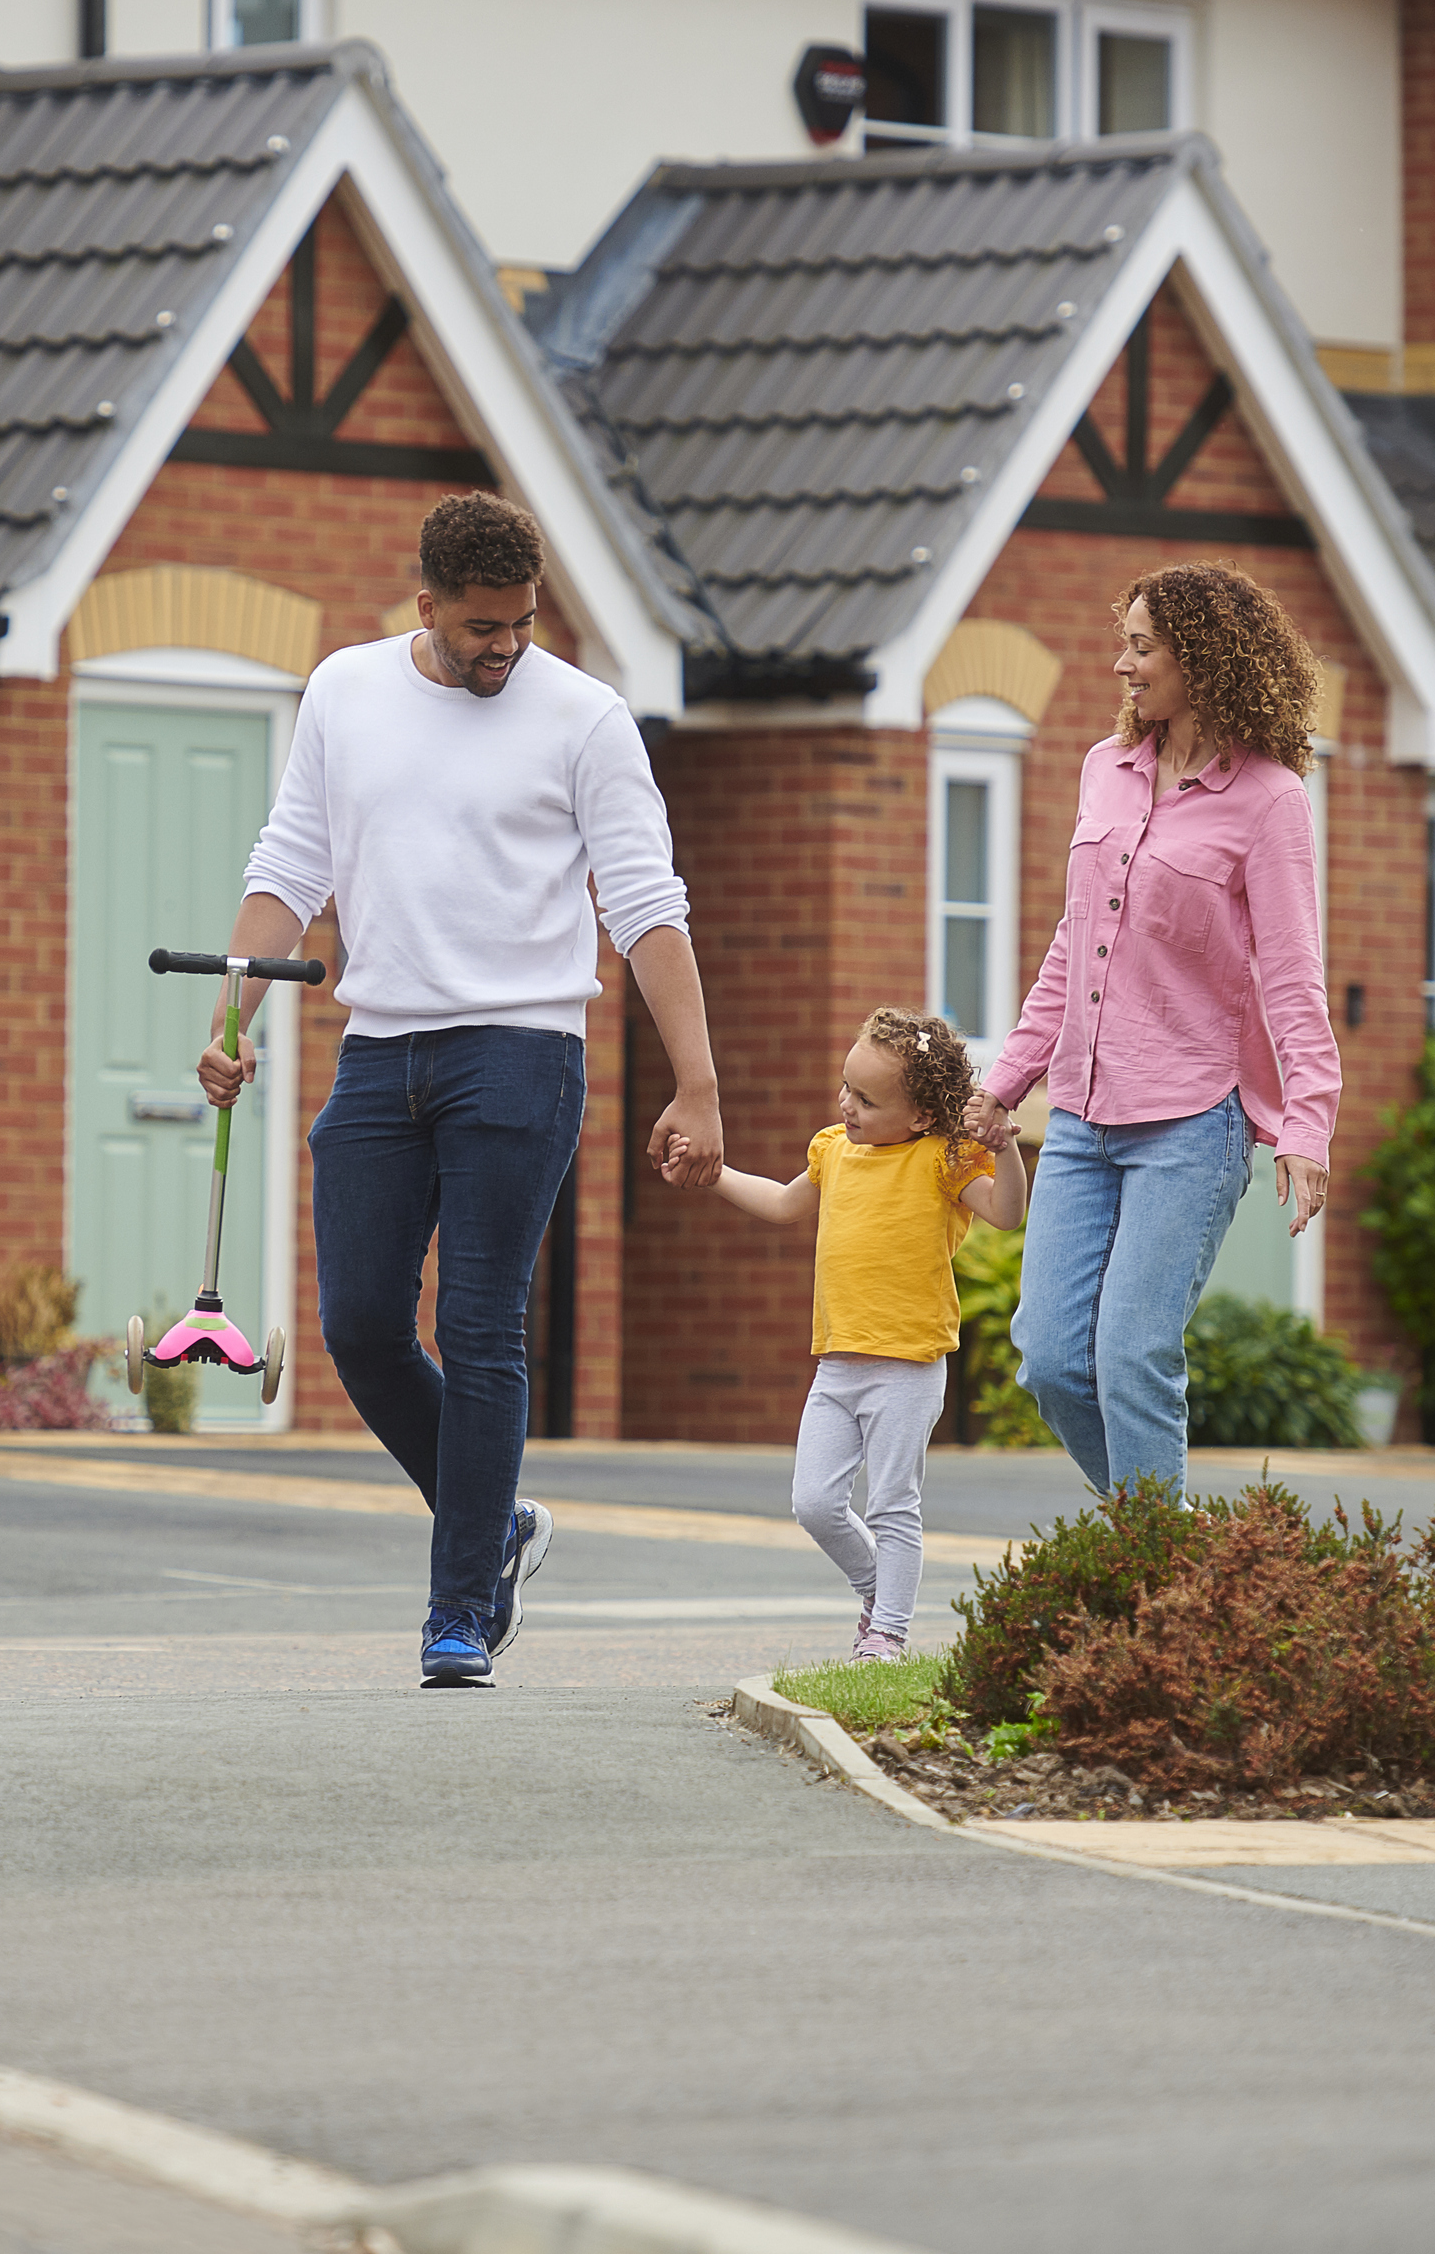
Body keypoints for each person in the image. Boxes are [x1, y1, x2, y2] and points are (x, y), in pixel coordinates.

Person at [195, 493, 727, 1688]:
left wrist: (697, 1084)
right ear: (425, 604)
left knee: (481, 1325)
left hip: (522, 1046)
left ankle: (457, 1611)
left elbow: (646, 905)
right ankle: (499, 1523)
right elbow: (290, 863)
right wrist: (228, 1020)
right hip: (380, 1044)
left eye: (524, 622)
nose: (507, 646)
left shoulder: (586, 719)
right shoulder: (344, 689)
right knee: (365, 1328)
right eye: (483, 625)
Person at [967, 562, 1340, 1501]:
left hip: (1191, 1118)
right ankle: (1175, 1554)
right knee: (1051, 1359)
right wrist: (1006, 1083)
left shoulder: (1269, 801)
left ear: (1202, 661)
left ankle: (1156, 1579)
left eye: (1142, 647)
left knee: (1132, 1356)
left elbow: (1295, 979)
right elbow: (1073, 944)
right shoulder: (1107, 768)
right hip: (1084, 1113)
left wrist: (1306, 1126)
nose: (1122, 665)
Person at [705, 1008, 1027, 1663]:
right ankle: (881, 1592)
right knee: (814, 1503)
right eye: (846, 1087)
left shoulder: (943, 1159)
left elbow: (1008, 1212)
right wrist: (715, 1175)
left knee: (891, 1504)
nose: (847, 1104)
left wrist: (1007, 1151)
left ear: (916, 1117)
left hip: (907, 1367)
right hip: (838, 1365)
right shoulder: (833, 1151)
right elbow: (780, 1202)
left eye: (867, 1099)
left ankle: (888, 1634)